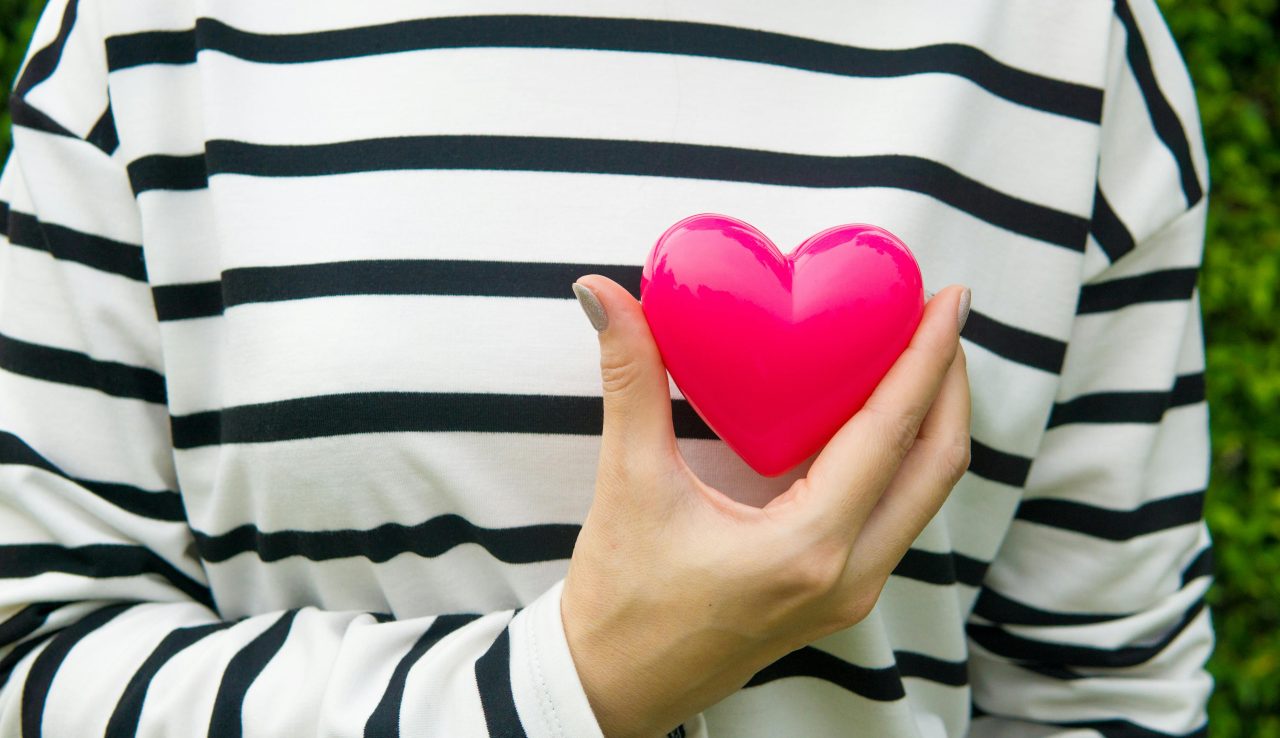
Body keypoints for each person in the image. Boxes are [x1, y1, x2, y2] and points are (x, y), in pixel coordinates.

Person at [0, 2, 1212, 736]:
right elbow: (30, 665)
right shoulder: (149, 26)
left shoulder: (1068, 38)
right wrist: (579, 679)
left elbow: (1097, 701)